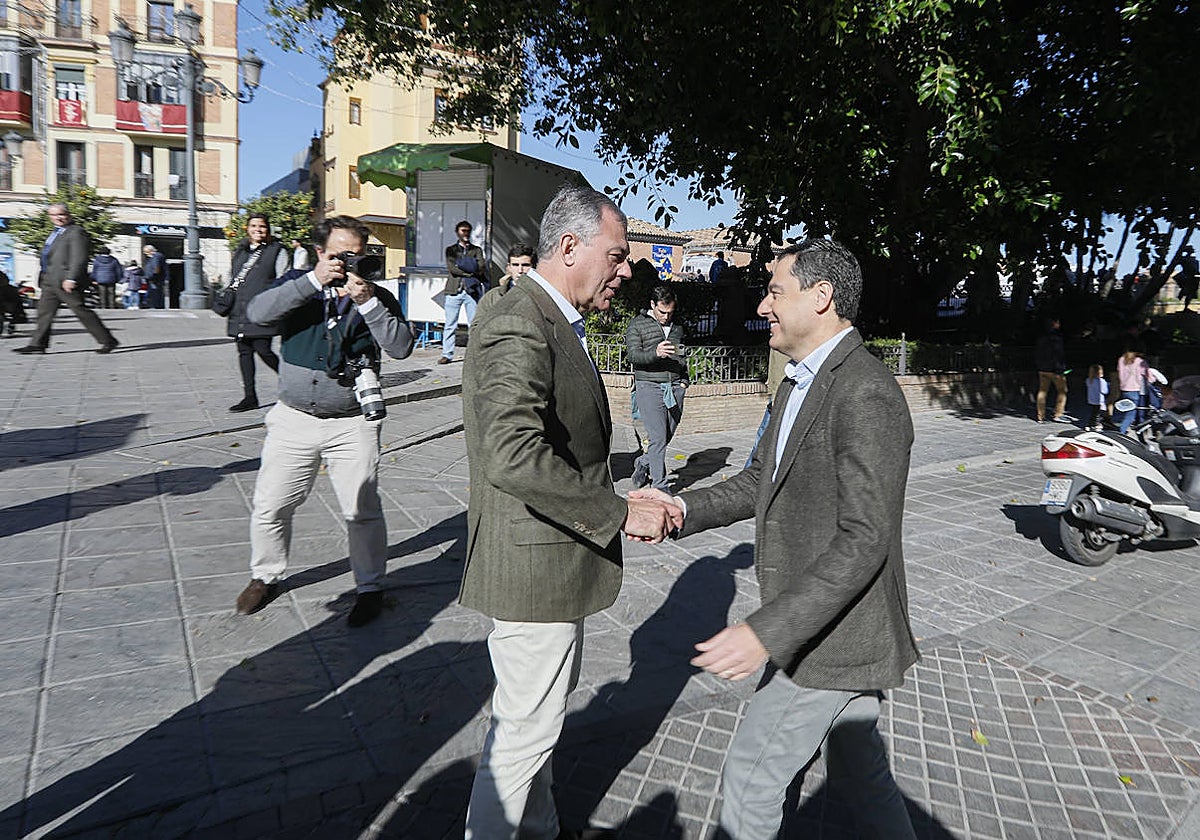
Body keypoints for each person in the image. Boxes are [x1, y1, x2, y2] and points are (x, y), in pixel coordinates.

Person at [634, 239, 919, 840]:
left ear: (821, 298)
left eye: (774, 292)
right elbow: (760, 479)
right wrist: (680, 506)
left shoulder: (865, 392)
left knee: (750, 780)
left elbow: (866, 539)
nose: (762, 305)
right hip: (823, 627)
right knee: (862, 778)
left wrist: (766, 632)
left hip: (831, 637)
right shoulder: (799, 381)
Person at [459, 185, 681, 838]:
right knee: (523, 739)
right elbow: (512, 455)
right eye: (616, 257)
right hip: (535, 573)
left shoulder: (546, 314)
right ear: (568, 247)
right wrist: (617, 512)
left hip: (548, 565)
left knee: (531, 728)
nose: (626, 272)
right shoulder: (519, 318)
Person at [233, 215, 415, 628]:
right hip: (294, 418)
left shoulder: (377, 296)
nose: (350, 262)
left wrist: (367, 301)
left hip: (353, 422)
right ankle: (266, 575)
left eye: (359, 255)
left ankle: (369, 587)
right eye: (341, 255)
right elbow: (259, 313)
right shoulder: (299, 284)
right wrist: (312, 281)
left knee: (362, 510)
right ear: (320, 251)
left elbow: (401, 347)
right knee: (270, 504)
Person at [14, 203, 119, 355]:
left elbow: (79, 257)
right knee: (44, 312)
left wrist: (71, 278)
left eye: (61, 214)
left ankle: (107, 340)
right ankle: (37, 344)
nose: (58, 218)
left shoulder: (76, 232)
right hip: (49, 279)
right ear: (50, 217)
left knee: (80, 310)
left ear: (68, 215)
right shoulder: (55, 233)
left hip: (65, 280)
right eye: (54, 215)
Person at [225, 213, 290, 412]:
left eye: (261, 226)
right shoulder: (240, 251)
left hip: (262, 310)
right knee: (244, 353)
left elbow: (283, 279)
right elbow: (232, 277)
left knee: (263, 350)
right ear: (247, 228)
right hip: (239, 310)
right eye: (253, 226)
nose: (258, 229)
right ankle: (249, 397)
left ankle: (292, 382)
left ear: (267, 229)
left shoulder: (277, 250)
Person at [626, 285, 688, 490]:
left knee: (666, 435)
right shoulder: (638, 324)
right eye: (662, 312)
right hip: (649, 385)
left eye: (670, 312)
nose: (666, 317)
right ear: (652, 305)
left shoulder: (678, 326)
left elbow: (682, 355)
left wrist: (684, 381)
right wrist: (655, 353)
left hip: (675, 387)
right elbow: (633, 356)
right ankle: (660, 486)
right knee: (658, 437)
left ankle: (643, 462)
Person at [439, 220, 488, 365]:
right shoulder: (451, 250)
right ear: (457, 232)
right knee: (450, 324)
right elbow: (452, 269)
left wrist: (465, 266)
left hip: (471, 291)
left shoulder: (476, 250)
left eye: (467, 231)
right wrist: (469, 271)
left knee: (473, 323)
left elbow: (480, 267)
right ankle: (447, 354)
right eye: (463, 231)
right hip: (454, 291)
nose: (465, 233)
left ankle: (474, 353)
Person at [474, 242, 534, 322]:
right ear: (509, 267)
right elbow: (476, 328)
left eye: (525, 265)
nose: (520, 270)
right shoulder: (492, 297)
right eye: (515, 265)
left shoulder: (544, 296)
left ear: (534, 266)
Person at [1034, 317, 1069, 423]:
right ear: (1054, 324)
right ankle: (1058, 413)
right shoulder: (1057, 338)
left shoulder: (1041, 337)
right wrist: (1060, 368)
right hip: (1054, 369)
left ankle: (1040, 416)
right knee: (1062, 391)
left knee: (1042, 391)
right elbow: (1058, 354)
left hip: (1042, 368)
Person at [1116, 349, 1149, 434]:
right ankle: (1121, 431)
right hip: (1135, 389)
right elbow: (1146, 375)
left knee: (1126, 410)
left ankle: (1123, 428)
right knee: (1131, 414)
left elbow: (1119, 373)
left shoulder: (1121, 359)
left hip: (1124, 388)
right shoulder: (1140, 361)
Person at [1086, 364, 1109, 431]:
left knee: (1094, 412)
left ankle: (1090, 424)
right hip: (1099, 400)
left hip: (1091, 399)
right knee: (1098, 413)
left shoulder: (1088, 380)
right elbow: (1104, 391)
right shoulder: (1102, 381)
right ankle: (1096, 424)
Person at [142, 245, 166, 309]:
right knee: (155, 292)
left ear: (150, 251)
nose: (145, 254)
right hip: (154, 278)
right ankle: (156, 305)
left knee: (155, 292)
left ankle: (155, 305)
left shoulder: (156, 257)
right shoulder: (155, 256)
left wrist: (153, 276)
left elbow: (156, 268)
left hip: (154, 279)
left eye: (146, 252)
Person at [1178, 245, 1199, 311]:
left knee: (1191, 293)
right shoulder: (1184, 259)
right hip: (1186, 277)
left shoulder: (1195, 260)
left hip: (1193, 278)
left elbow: (1196, 270)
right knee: (1187, 292)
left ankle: (1186, 307)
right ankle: (1185, 306)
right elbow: (1178, 260)